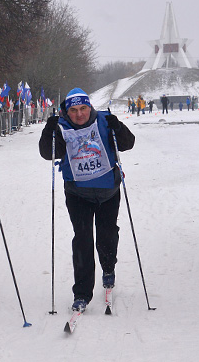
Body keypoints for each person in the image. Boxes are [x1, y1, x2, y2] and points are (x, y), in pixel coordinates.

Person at [39, 88, 135, 312]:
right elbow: (48, 153)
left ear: (90, 107)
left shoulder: (104, 121)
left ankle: (108, 268)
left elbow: (128, 143)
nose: (79, 114)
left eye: (83, 108)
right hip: (78, 193)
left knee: (107, 235)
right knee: (82, 240)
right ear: (67, 111)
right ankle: (82, 293)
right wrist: (48, 131)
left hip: (108, 191)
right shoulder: (62, 127)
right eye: (73, 110)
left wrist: (118, 127)